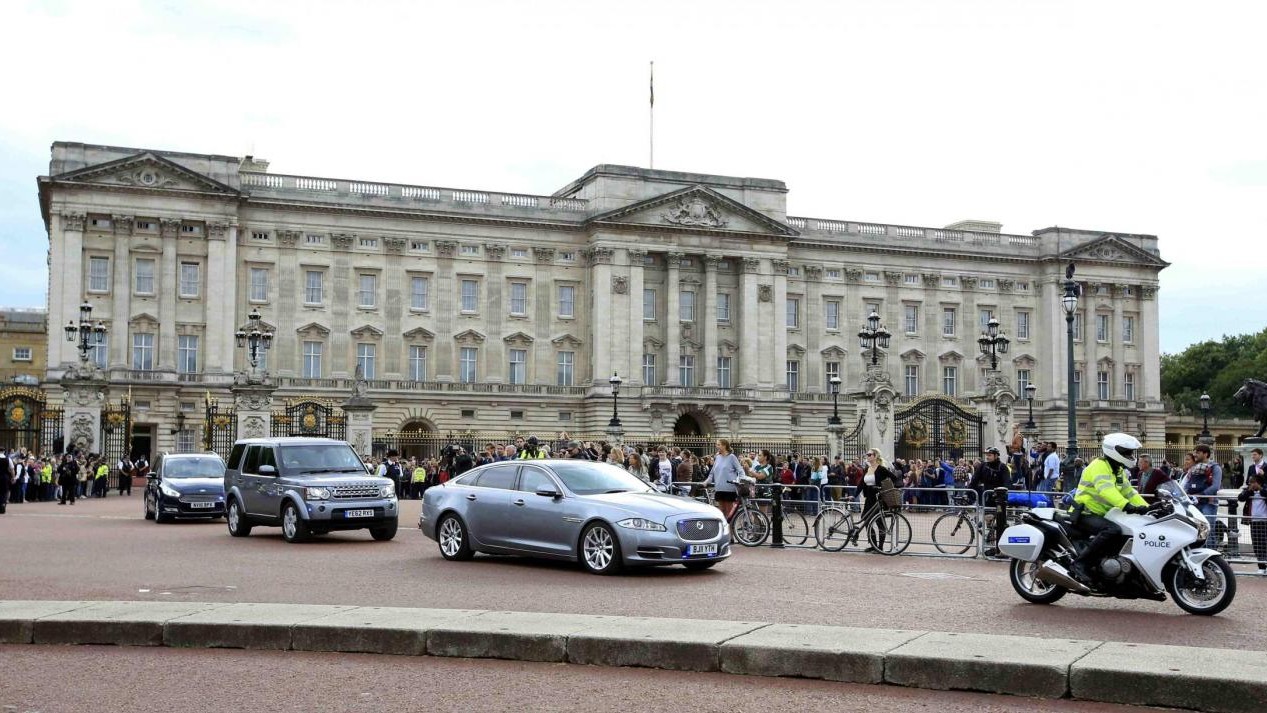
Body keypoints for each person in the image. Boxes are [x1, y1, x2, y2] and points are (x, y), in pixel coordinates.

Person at [1069, 433, 1149, 582]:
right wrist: (1126, 506)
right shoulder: (1099, 466)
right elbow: (1106, 490)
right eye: (1127, 452)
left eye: (1130, 452)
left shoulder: (1117, 470)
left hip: (1103, 513)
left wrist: (1148, 508)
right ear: (1114, 451)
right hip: (1085, 511)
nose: (1130, 455)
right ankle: (1080, 564)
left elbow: (1130, 492)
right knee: (1112, 530)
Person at [849, 448, 897, 553]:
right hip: (869, 498)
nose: (868, 456)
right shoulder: (867, 469)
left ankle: (880, 547)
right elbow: (861, 483)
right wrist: (854, 495)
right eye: (867, 454)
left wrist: (885, 488)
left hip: (878, 498)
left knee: (879, 522)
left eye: (870, 454)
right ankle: (873, 544)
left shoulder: (881, 469)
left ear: (875, 456)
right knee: (865, 520)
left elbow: (894, 478)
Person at [705, 438, 744, 521]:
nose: (717, 446)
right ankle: (724, 531)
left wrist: (741, 481)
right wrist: (706, 481)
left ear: (724, 446)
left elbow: (740, 470)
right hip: (719, 488)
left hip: (729, 488)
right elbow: (712, 473)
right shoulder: (718, 457)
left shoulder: (732, 457)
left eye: (718, 445)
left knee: (729, 512)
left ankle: (731, 531)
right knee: (721, 511)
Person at [1237, 470, 1267, 572]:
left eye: (1252, 482)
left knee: (1265, 543)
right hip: (1254, 521)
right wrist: (1249, 491)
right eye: (1250, 482)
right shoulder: (1249, 491)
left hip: (1265, 521)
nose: (1250, 484)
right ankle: (1261, 566)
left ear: (1258, 483)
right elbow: (1240, 498)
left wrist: (1261, 490)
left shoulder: (1265, 490)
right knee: (1257, 544)